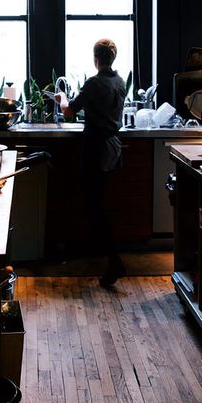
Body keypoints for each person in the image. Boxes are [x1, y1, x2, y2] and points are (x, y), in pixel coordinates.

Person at [55, 38, 127, 287]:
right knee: (99, 204)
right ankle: (107, 257)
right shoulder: (120, 81)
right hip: (112, 146)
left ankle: (114, 261)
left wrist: (62, 97)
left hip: (96, 148)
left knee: (95, 207)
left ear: (96, 59)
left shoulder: (95, 82)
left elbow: (69, 111)